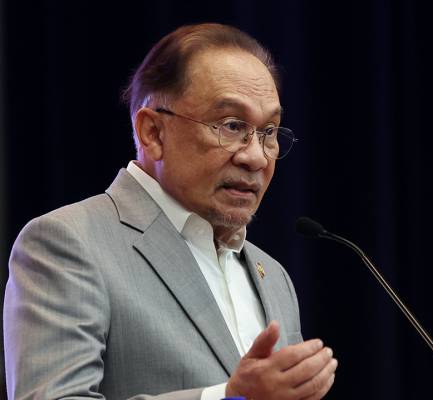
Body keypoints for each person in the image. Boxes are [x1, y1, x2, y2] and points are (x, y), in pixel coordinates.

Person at [3, 23, 337, 400]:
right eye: (232, 126)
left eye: (269, 132)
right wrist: (228, 397)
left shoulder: (273, 276)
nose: (256, 157)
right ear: (153, 133)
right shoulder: (69, 243)